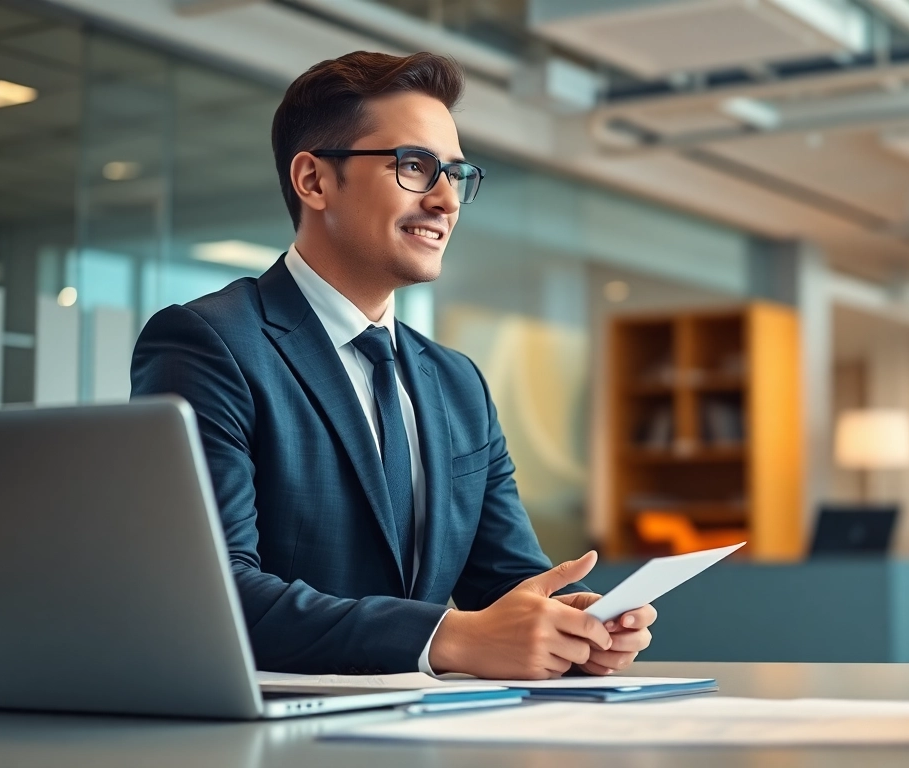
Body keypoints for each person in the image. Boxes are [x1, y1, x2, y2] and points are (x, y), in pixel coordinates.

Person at [131, 51, 654, 679]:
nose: (446, 199)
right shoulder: (209, 343)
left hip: (425, 723)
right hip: (278, 723)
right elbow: (210, 591)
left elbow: (506, 583)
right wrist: (444, 638)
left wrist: (573, 624)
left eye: (455, 173)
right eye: (414, 166)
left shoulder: (458, 383)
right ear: (314, 181)